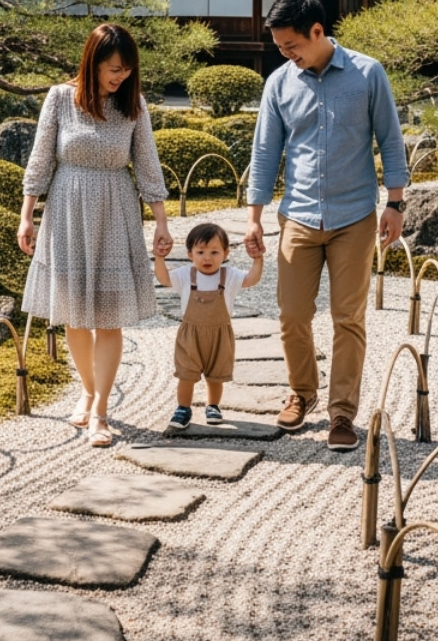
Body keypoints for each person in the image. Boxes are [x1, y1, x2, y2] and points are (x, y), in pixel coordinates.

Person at [244, 0, 409, 452]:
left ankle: (342, 413)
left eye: (291, 45)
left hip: (354, 216)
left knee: (348, 317)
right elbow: (265, 152)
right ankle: (302, 392)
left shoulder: (367, 73)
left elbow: (390, 139)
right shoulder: (279, 83)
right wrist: (254, 218)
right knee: (292, 313)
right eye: (280, 47)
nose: (286, 54)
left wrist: (395, 203)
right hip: (297, 216)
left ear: (317, 31)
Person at [19, 23, 173, 447]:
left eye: (127, 69)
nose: (121, 76)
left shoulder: (133, 105)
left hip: (115, 211)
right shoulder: (59, 99)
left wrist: (161, 222)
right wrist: (27, 216)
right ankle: (87, 390)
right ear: (92, 63)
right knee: (73, 314)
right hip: (67, 210)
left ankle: (101, 410)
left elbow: (147, 165)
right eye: (114, 68)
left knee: (107, 317)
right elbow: (40, 160)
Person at [154, 222, 264, 432]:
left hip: (220, 334)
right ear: (190, 254)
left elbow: (251, 280)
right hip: (190, 334)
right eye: (200, 252)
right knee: (186, 373)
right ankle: (183, 408)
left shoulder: (229, 275)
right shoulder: (185, 275)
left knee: (216, 374)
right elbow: (164, 279)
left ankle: (213, 406)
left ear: (226, 253)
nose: (207, 258)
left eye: (214, 252)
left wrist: (258, 259)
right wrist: (159, 258)